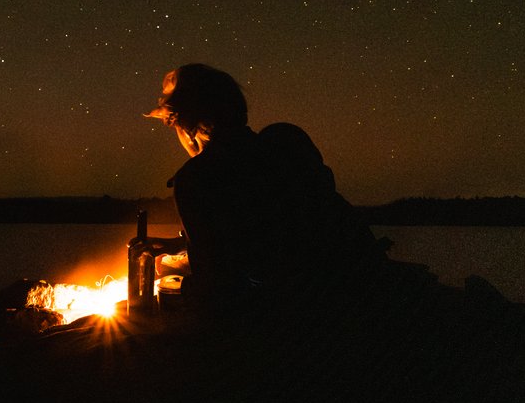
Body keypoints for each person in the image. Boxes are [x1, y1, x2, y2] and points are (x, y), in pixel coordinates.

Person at [145, 64, 382, 309]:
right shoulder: (283, 145)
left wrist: (175, 287)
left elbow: (219, 286)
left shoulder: (197, 178)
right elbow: (271, 233)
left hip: (295, 314)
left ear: (186, 126)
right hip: (359, 291)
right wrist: (180, 246)